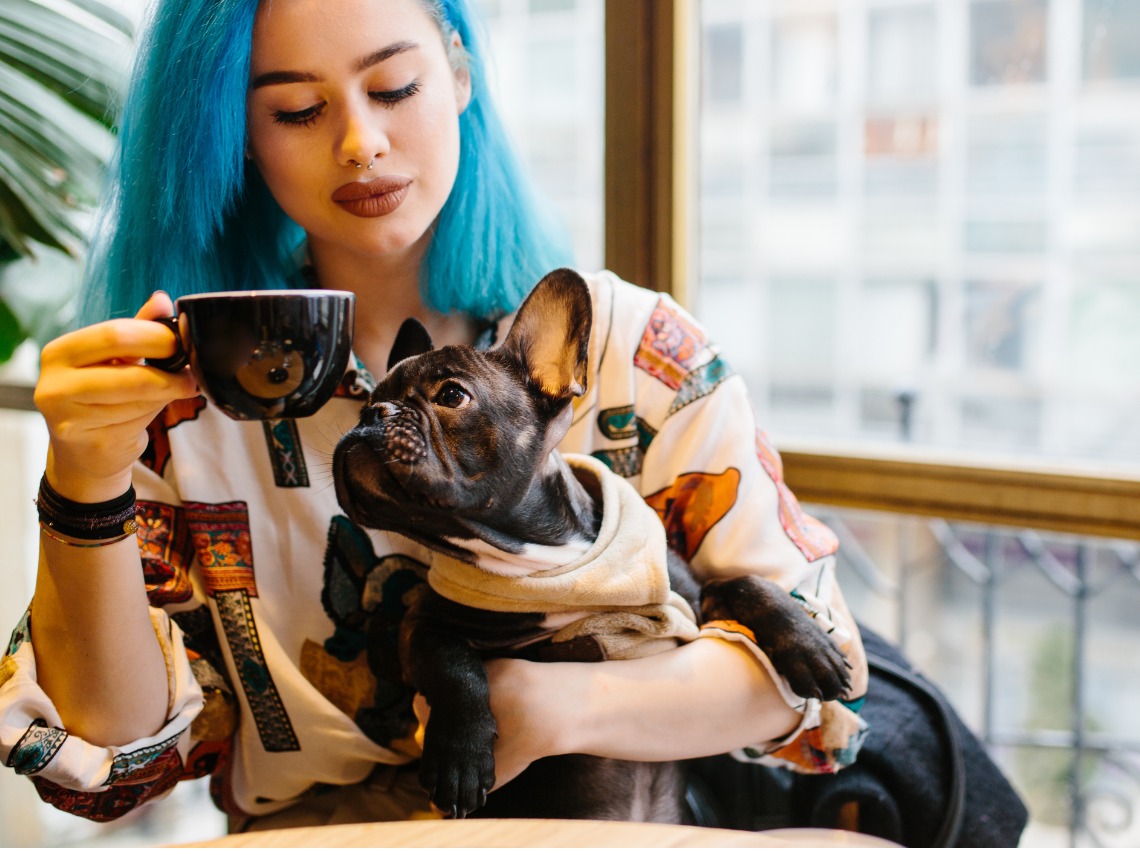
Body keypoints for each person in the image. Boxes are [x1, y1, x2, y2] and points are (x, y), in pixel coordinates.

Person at [0, 0, 869, 831]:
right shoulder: (185, 401)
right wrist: (85, 478)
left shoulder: (633, 356)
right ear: (239, 138)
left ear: (459, 74)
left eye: (393, 89)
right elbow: (107, 766)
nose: (360, 143)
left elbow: (822, 693)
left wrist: (546, 703)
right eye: (298, 110)